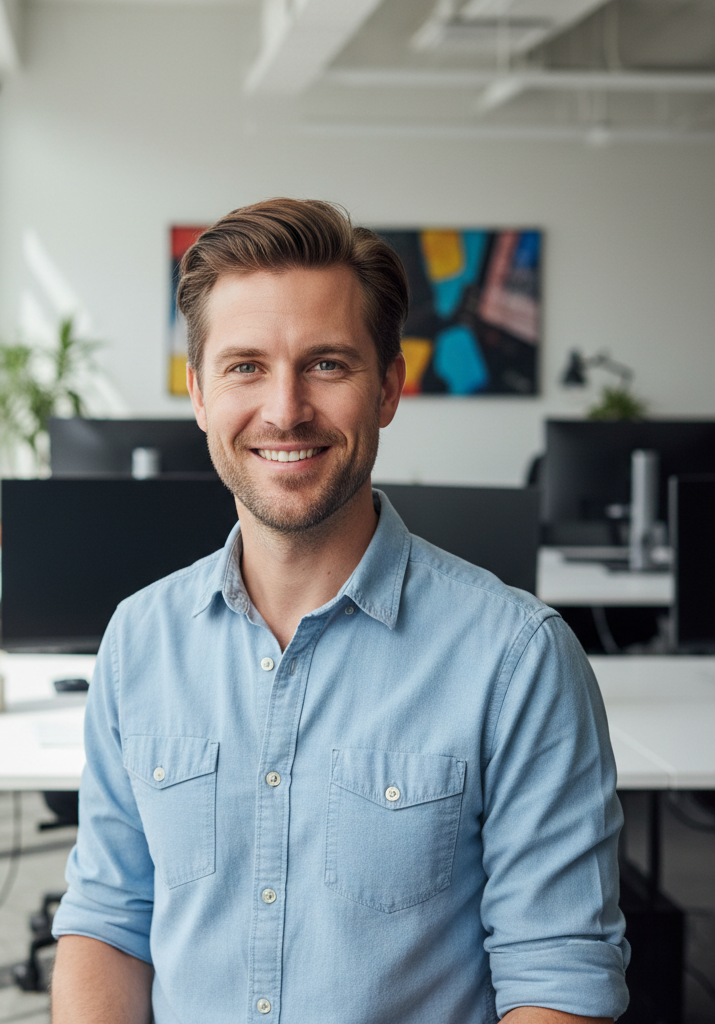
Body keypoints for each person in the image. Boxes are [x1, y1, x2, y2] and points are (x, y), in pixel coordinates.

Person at [49, 198, 629, 1024]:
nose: (285, 410)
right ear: (200, 393)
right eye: (245, 365)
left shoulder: (518, 659)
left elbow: (558, 978)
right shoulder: (139, 640)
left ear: (389, 387)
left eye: (326, 364)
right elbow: (109, 921)